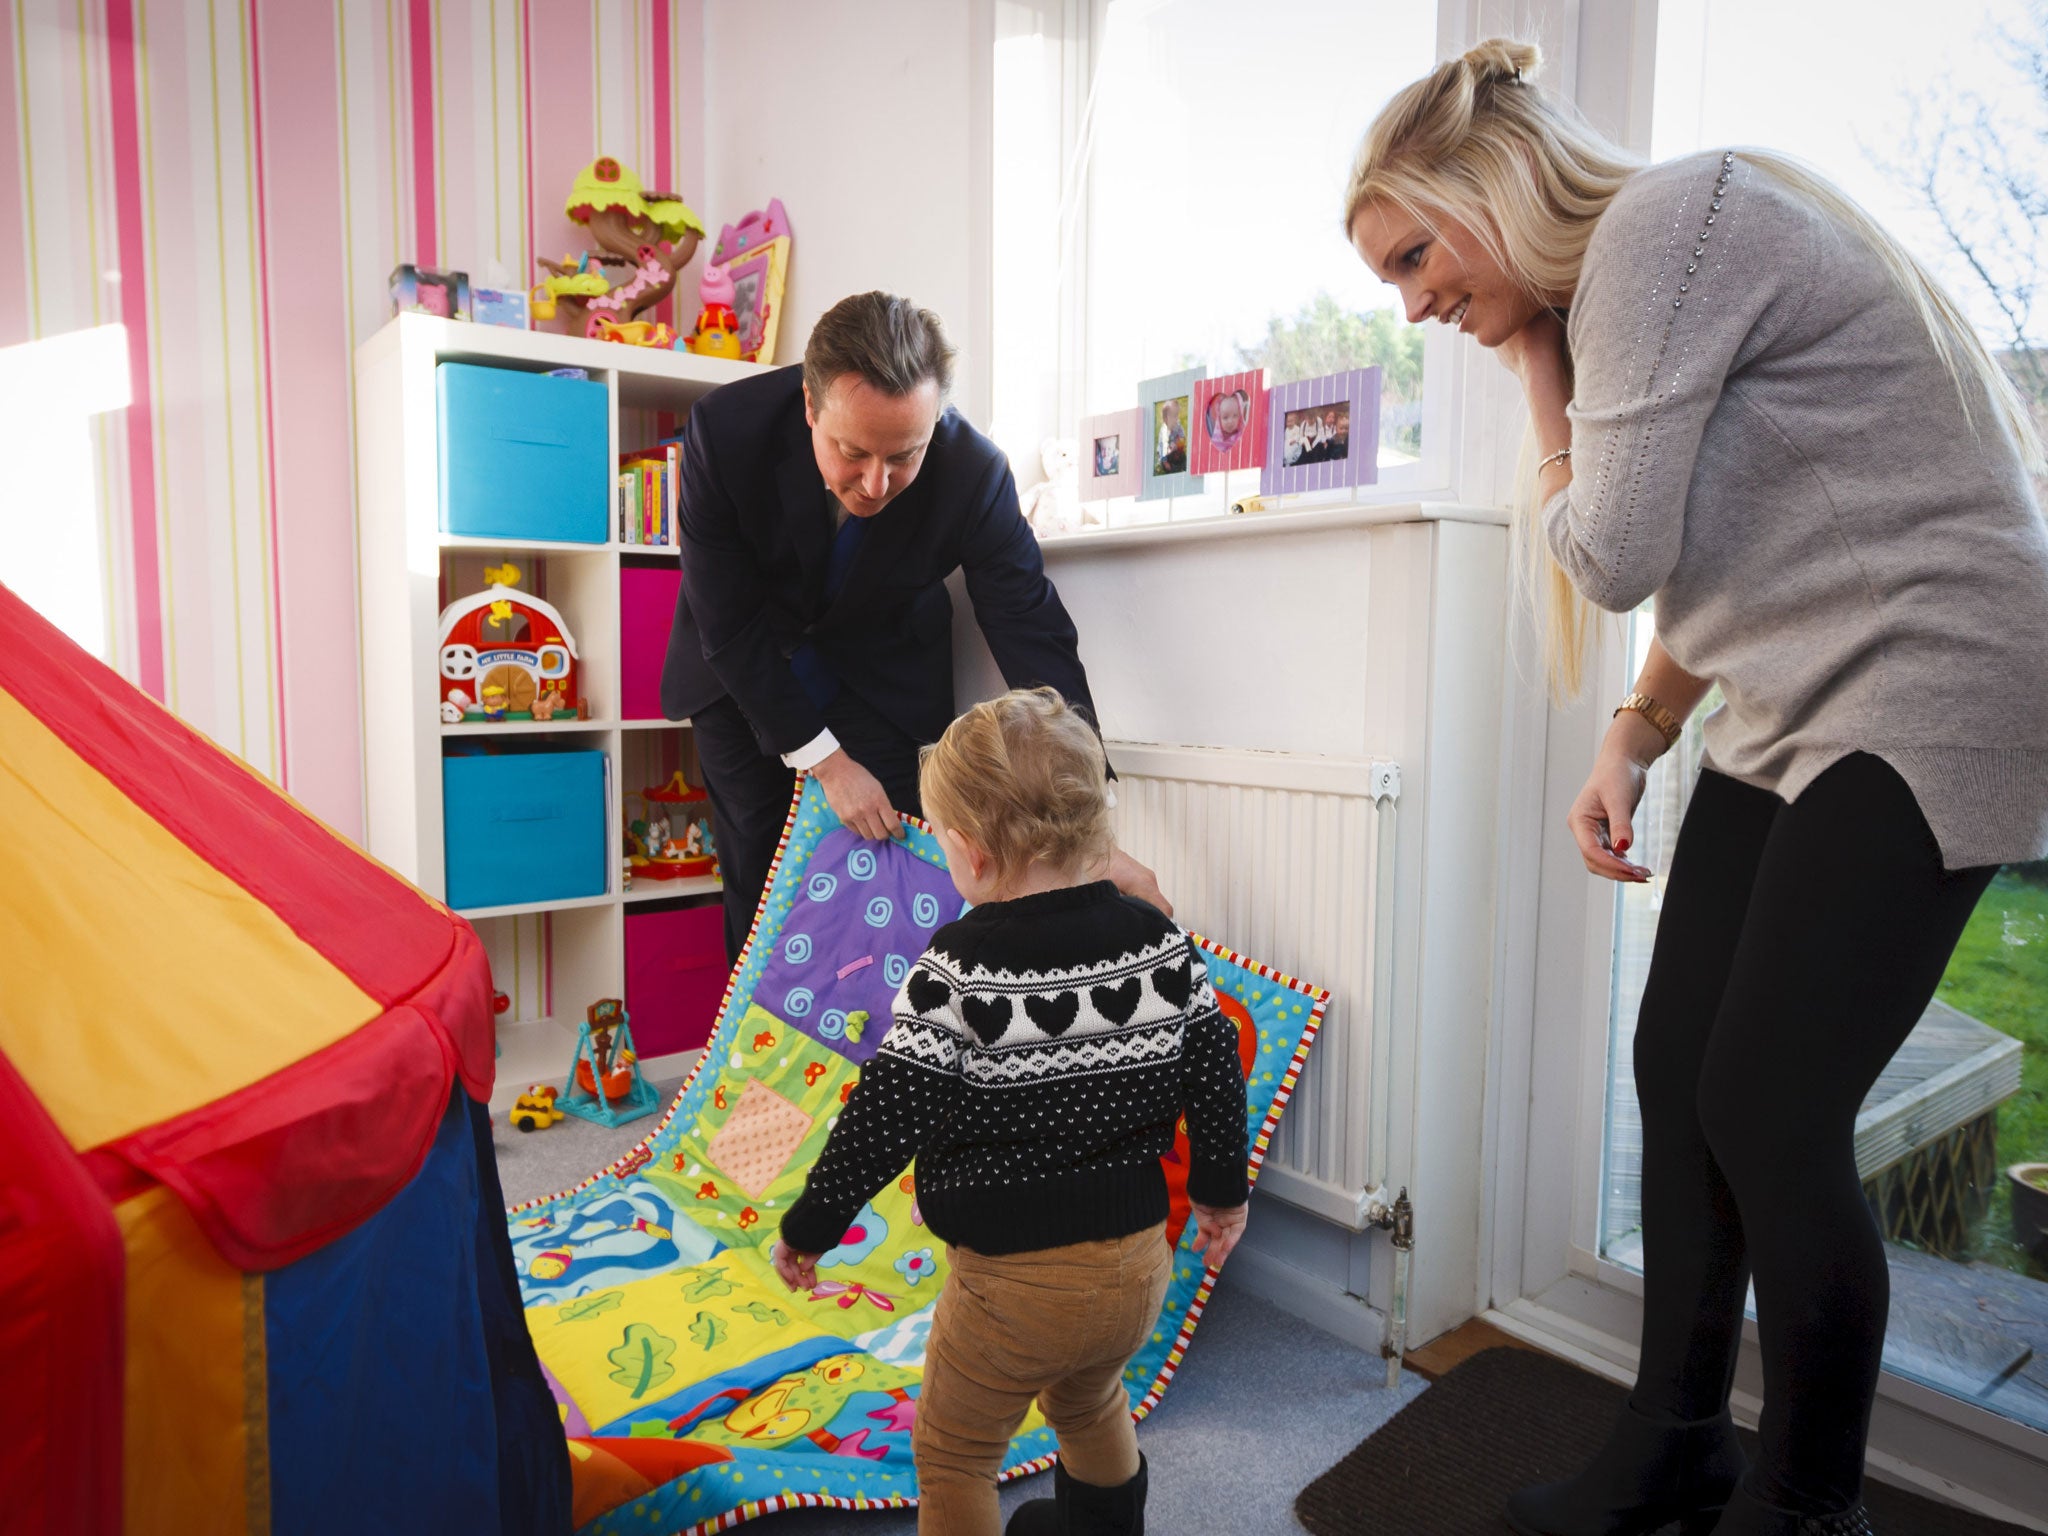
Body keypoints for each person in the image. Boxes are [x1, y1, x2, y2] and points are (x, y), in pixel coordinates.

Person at [1348, 37, 2047, 1536]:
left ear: (1493, 184)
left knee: (1771, 1103)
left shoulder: (1668, 227)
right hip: (1800, 691)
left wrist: (1535, 358)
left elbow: (1607, 553)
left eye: (1415, 254)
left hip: (1935, 681)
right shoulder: (1642, 277)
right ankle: (1674, 1446)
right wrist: (1640, 729)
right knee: (1680, 1067)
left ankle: (1804, 1513)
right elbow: (1755, 548)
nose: (1412, 305)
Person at [768, 688, 1249, 1536]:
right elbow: (1214, 1072)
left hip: (1008, 1289)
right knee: (1093, 1400)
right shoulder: (1163, 945)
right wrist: (1220, 1196)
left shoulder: (959, 968)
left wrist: (811, 1225)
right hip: (1135, 1271)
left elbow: (885, 1113)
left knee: (955, 1455)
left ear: (970, 852)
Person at [660, 291, 1168, 961]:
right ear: (811, 407)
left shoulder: (974, 470)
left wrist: (1089, 827)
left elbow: (1029, 625)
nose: (876, 483)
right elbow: (726, 621)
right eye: (853, 453)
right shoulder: (726, 430)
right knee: (760, 890)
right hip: (742, 671)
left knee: (904, 887)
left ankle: (902, 1061)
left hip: (880, 678)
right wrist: (829, 766)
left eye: (905, 455)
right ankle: (757, 1062)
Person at [1154, 397, 1187, 473]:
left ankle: (1183, 466)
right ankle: (1171, 468)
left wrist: (1179, 443)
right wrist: (1165, 463)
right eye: (1174, 416)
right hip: (1166, 455)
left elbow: (1182, 437)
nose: (1176, 419)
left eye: (1177, 415)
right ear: (1165, 419)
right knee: (1168, 466)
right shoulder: (1163, 432)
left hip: (1176, 450)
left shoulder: (1177, 425)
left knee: (1183, 456)